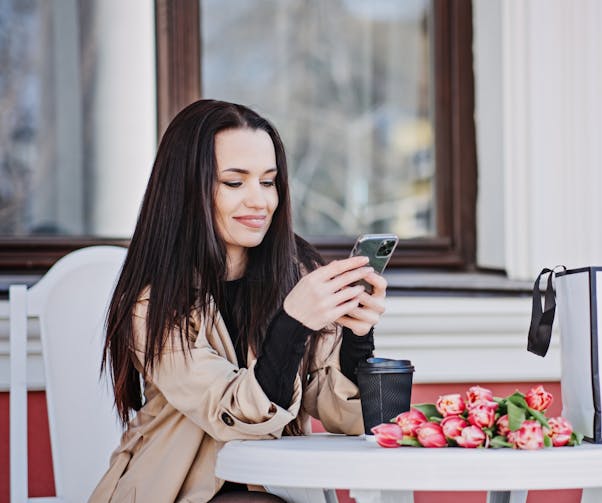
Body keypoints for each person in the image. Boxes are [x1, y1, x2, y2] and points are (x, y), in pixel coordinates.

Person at [89, 99, 387, 502]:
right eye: (234, 182)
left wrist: (357, 336)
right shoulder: (152, 304)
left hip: (278, 490)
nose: (260, 201)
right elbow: (236, 415)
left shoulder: (294, 275)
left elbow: (346, 416)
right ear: (187, 190)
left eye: (268, 182)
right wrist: (293, 323)